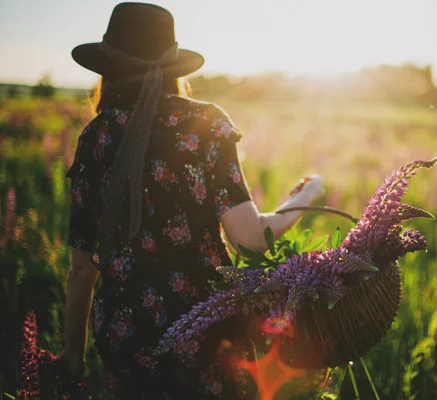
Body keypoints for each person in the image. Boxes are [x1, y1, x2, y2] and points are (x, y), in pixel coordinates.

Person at [62, 3, 324, 398]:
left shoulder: (96, 136)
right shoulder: (206, 125)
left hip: (123, 338)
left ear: (108, 69)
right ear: (174, 69)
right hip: (206, 331)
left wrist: (72, 359)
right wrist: (305, 197)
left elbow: (82, 269)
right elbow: (251, 239)